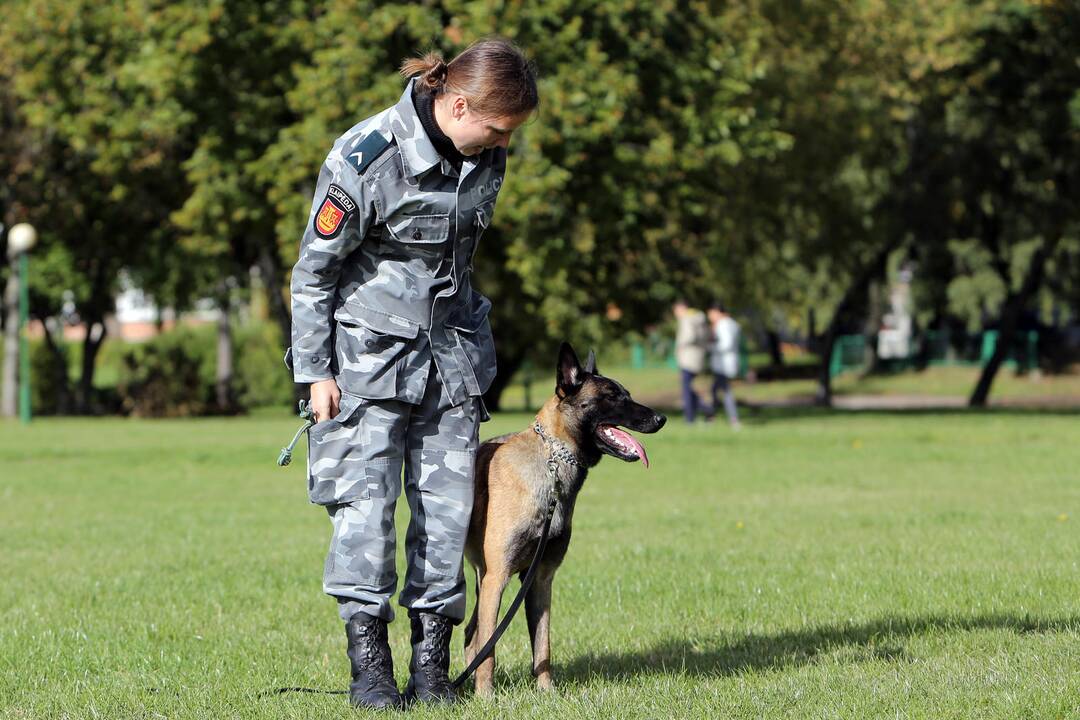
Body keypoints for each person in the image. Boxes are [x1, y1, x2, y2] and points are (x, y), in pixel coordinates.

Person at [287, 40, 538, 709]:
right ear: (457, 104)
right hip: (365, 368)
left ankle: (431, 666)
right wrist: (314, 372)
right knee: (364, 514)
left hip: (450, 364)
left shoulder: (488, 156)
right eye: (497, 127)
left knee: (448, 516)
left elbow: (462, 256)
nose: (503, 142)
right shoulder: (367, 155)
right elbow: (314, 273)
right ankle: (370, 669)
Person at [673, 299, 709, 423]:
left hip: (688, 358)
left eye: (676, 310)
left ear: (682, 308)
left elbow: (689, 336)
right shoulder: (698, 318)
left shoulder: (686, 319)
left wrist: (680, 345)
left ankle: (690, 417)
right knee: (688, 387)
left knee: (686, 390)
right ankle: (706, 409)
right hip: (697, 357)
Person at [707, 302, 742, 429]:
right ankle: (712, 417)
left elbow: (726, 344)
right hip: (725, 364)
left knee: (725, 392)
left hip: (723, 364)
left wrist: (711, 347)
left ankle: (733, 419)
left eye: (710, 314)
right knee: (716, 390)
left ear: (717, 312)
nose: (710, 317)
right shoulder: (731, 324)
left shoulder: (723, 325)